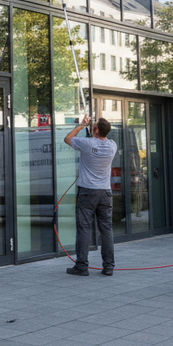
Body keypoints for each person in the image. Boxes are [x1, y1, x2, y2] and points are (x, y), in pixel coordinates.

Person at [63, 115, 117, 276]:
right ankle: (109, 266)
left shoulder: (87, 144)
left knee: (84, 228)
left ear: (95, 130)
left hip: (88, 191)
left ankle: (82, 266)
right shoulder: (112, 146)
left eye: (93, 125)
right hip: (105, 192)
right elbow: (99, 140)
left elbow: (68, 139)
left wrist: (81, 125)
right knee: (106, 229)